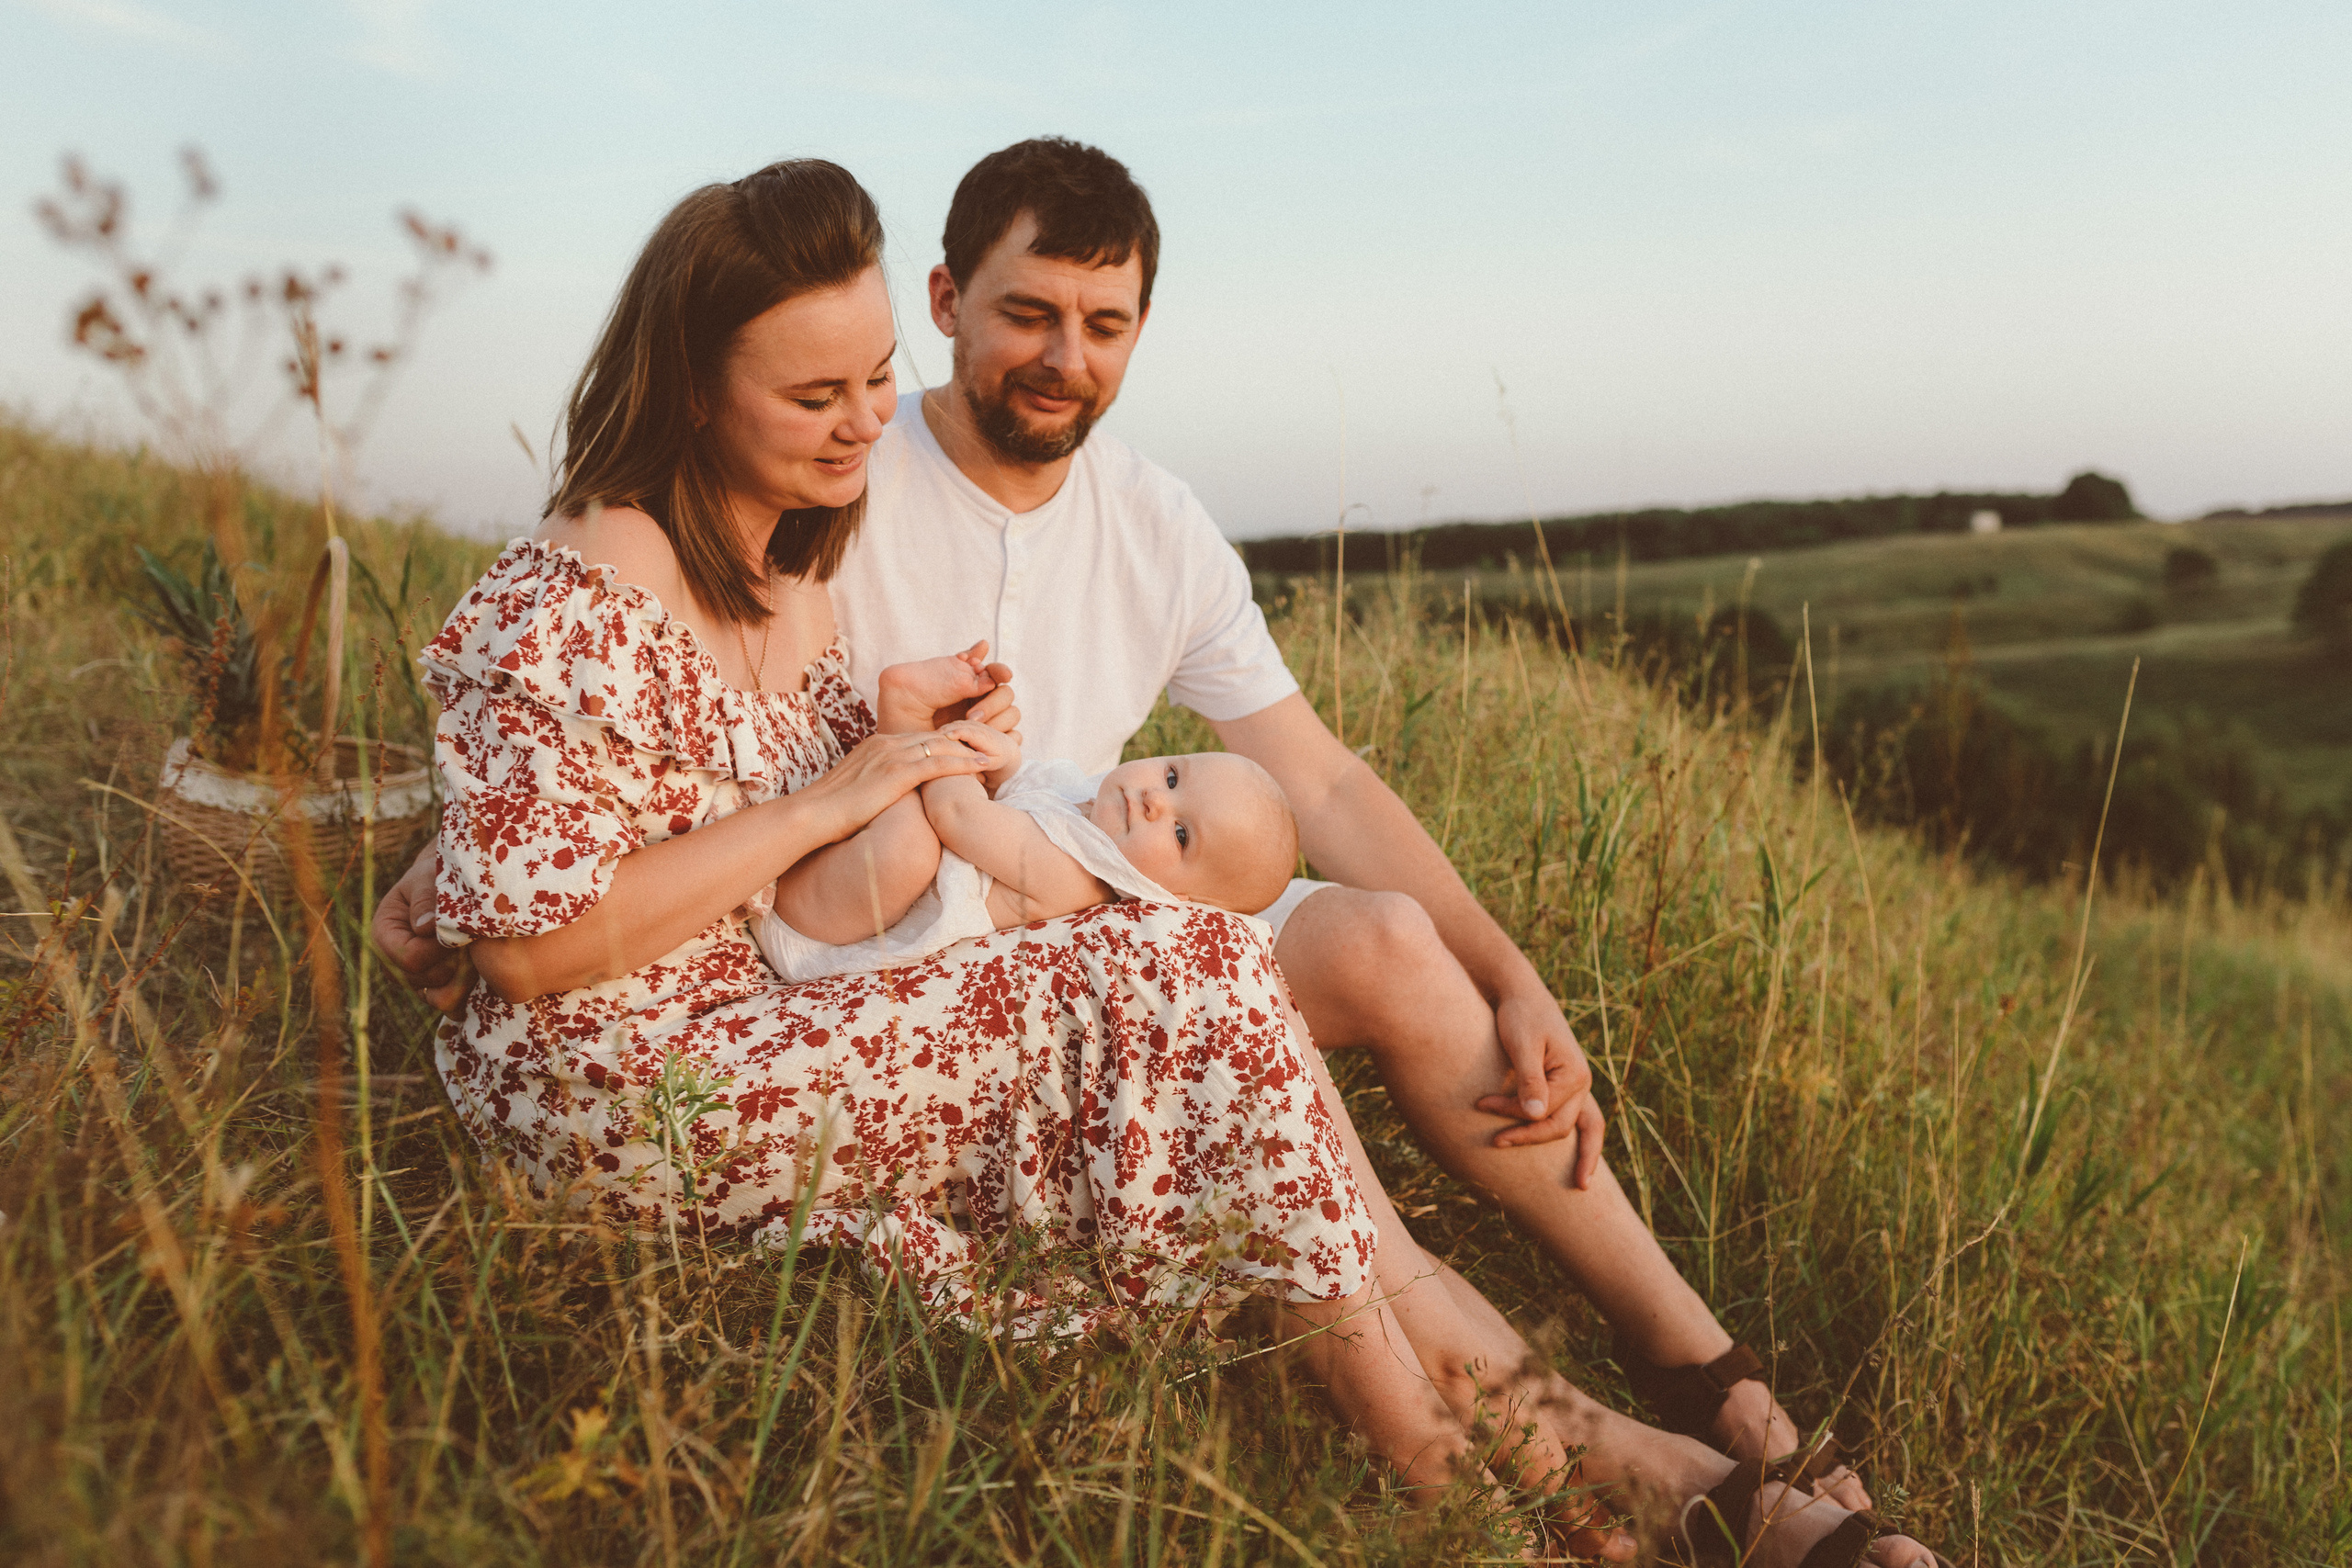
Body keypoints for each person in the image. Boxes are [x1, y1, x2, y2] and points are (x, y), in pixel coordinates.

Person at [379, 148, 1946, 1563]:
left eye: (873, 380)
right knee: (1187, 974)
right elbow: (541, 916)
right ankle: (1545, 1474)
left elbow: (1302, 767)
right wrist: (813, 786)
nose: (861, 420)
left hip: (813, 993)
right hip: (650, 1075)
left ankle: (1649, 1434)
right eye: (815, 395)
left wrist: (886, 723)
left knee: (1230, 966)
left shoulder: (805, 533)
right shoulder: (619, 565)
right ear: (696, 386)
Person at [755, 646, 1297, 981]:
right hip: (846, 885)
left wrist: (946, 746)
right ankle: (901, 732)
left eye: (1181, 834)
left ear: (1175, 902)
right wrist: (1001, 757)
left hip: (829, 930)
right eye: (1173, 777)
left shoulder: (1078, 876)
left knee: (910, 848)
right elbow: (1024, 787)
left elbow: (962, 820)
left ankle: (903, 719)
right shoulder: (1088, 802)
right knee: (907, 838)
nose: (1157, 799)